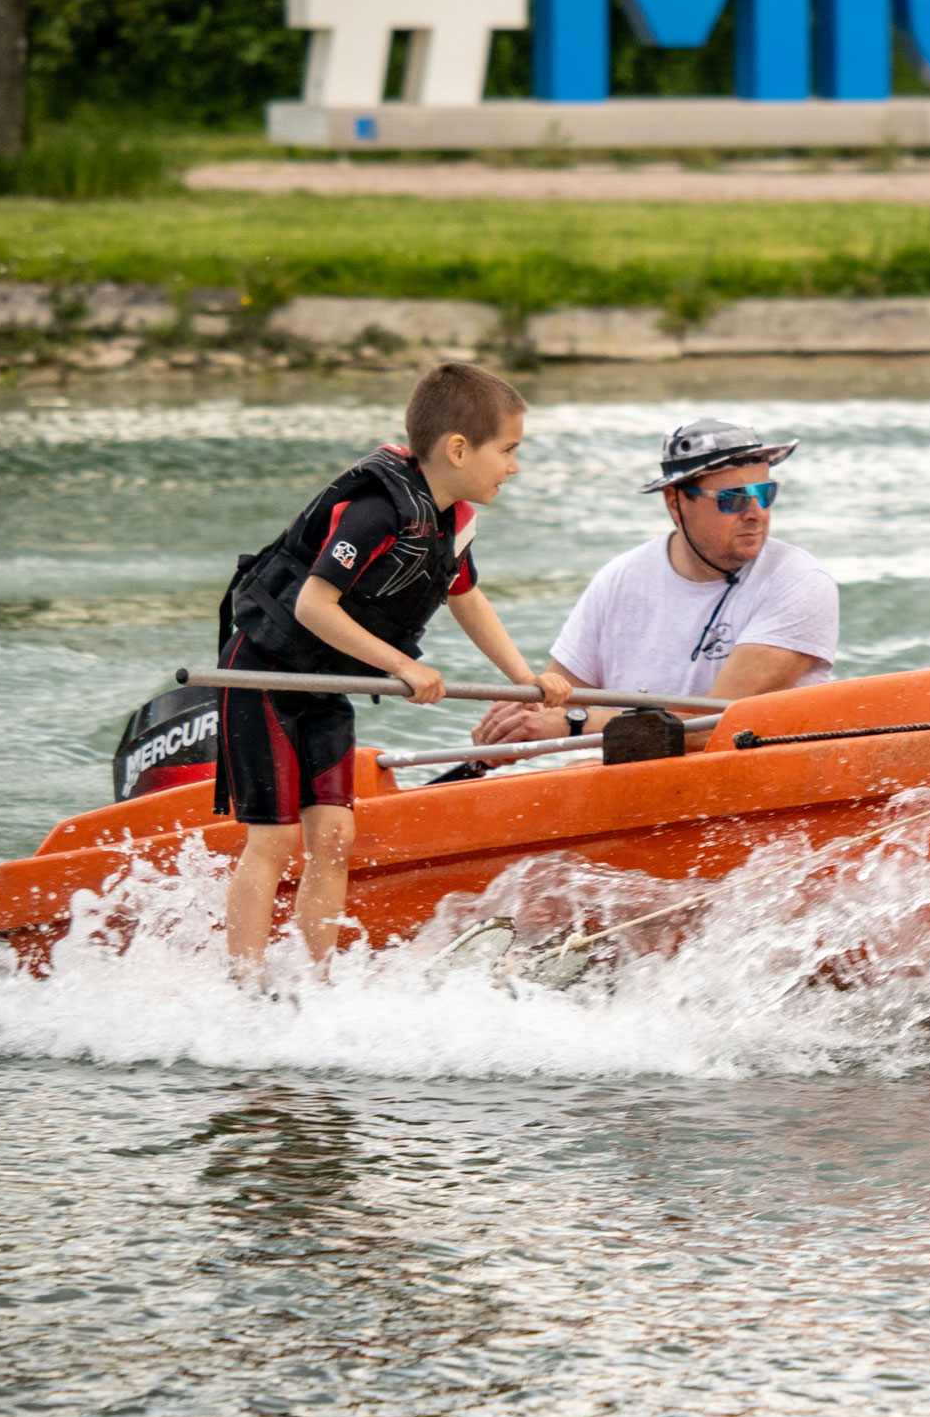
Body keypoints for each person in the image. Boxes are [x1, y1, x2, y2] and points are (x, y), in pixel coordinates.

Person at [216, 361, 572, 984]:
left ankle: (313, 983)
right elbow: (312, 605)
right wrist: (404, 665)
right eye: (509, 450)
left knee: (333, 838)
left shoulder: (453, 519)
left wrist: (528, 677)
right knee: (272, 840)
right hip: (266, 675)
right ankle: (242, 990)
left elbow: (466, 597)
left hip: (328, 686)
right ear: (458, 449)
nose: (514, 465)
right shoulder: (374, 513)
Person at [470, 417, 838, 749]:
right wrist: (511, 726)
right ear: (675, 503)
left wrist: (574, 722)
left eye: (765, 494)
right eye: (734, 499)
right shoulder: (619, 579)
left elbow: (716, 726)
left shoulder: (800, 582)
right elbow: (556, 698)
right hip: (642, 786)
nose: (756, 512)